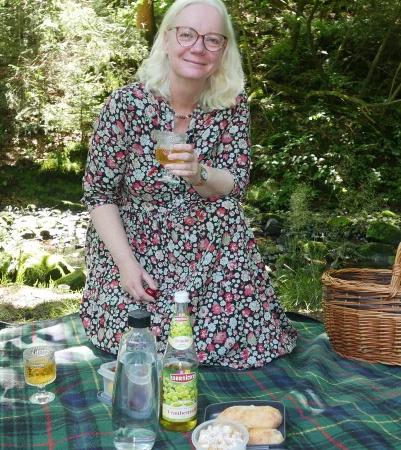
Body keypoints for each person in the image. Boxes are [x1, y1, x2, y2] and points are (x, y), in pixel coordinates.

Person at [80, 0, 297, 369]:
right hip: (137, 242)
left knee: (240, 339)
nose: (198, 48)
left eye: (212, 40)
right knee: (142, 340)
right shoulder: (126, 104)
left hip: (210, 243)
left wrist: (199, 173)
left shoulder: (231, 104)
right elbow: (99, 194)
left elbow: (234, 184)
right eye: (187, 35)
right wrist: (127, 267)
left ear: (223, 50)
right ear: (166, 40)